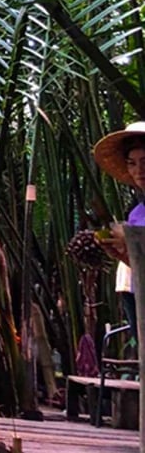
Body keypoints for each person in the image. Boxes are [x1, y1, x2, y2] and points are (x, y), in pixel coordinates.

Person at [92, 122, 145, 334]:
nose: (139, 170)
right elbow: (139, 263)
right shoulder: (136, 213)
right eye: (132, 163)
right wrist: (117, 251)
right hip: (135, 291)